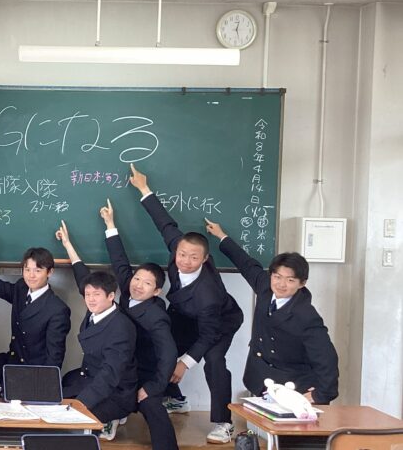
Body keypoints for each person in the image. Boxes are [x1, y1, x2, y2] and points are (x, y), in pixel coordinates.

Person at [130, 164, 244, 444]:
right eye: (182, 254)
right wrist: (143, 188)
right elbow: (164, 223)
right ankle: (176, 399)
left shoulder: (209, 294)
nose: (185, 261)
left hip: (219, 321)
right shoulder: (177, 249)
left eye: (194, 258)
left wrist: (184, 363)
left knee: (213, 361)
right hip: (185, 312)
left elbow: (207, 335)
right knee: (160, 344)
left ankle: (224, 422)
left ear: (205, 259)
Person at [61, 200, 179, 450]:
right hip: (116, 365)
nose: (138, 285)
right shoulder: (123, 290)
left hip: (142, 372)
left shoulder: (156, 317)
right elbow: (117, 261)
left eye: (147, 283)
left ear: (156, 291)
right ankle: (109, 419)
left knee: (150, 405)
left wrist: (154, 386)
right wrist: (109, 224)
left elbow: (168, 353)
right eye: (137, 278)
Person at [208, 219, 339, 404]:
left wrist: (320, 395)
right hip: (260, 377)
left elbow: (326, 357)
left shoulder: (307, 316)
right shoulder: (266, 287)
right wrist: (222, 236)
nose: (281, 284)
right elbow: (246, 264)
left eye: (290, 280)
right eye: (277, 277)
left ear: (302, 283)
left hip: (293, 386)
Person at [0, 230, 70, 380]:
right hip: (12, 360)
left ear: (50, 272)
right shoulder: (21, 288)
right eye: (27, 269)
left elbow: (54, 358)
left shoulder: (57, 309)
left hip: (33, 372)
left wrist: (41, 386)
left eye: (37, 270)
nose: (31, 275)